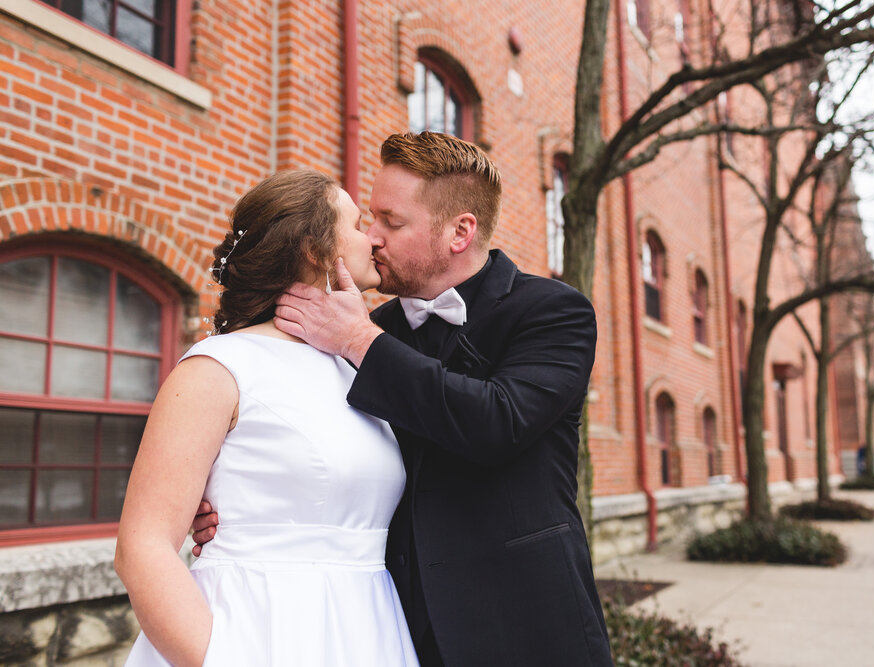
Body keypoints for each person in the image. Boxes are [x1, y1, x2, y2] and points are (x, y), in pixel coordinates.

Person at [196, 131, 613, 665]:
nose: (372, 237)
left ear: (460, 232)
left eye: (391, 223)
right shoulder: (371, 327)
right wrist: (234, 501)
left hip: (526, 625)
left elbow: (496, 422)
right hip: (400, 627)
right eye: (369, 218)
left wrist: (359, 342)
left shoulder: (553, 311)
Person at [114, 170, 419, 666]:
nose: (374, 239)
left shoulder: (357, 367)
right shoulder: (220, 367)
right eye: (359, 225)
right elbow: (142, 548)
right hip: (257, 628)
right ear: (315, 250)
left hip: (367, 627)